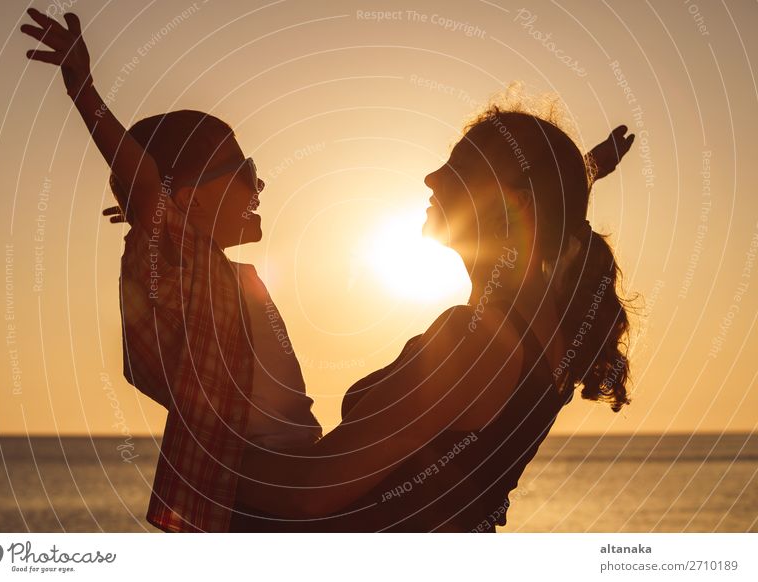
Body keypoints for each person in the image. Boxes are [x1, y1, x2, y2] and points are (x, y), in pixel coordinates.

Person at [230, 106, 634, 532]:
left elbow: (310, 494)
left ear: (511, 203)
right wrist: (587, 168)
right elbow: (551, 209)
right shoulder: (551, 326)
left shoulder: (473, 341)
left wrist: (210, 460)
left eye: (459, 167)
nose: (432, 178)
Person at [21, 8, 321, 533]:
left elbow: (153, 195)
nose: (258, 187)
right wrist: (84, 92)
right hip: (261, 491)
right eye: (244, 171)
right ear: (189, 202)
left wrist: (150, 214)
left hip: (298, 472)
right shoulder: (188, 262)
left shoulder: (228, 275)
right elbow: (146, 184)